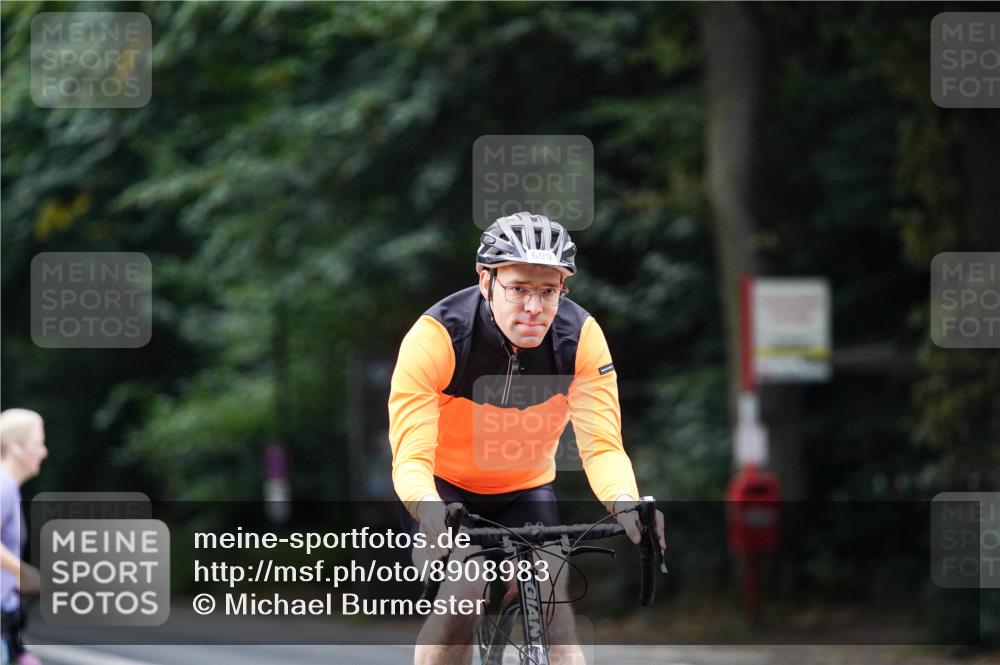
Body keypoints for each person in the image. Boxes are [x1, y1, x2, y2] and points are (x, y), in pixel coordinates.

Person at [388, 212, 666, 665]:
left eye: (548, 291)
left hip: (526, 489)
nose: (534, 307)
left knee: (555, 604)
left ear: (563, 290)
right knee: (464, 594)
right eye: (518, 289)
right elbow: (410, 457)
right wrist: (430, 510)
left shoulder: (580, 338)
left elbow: (602, 447)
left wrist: (626, 501)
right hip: (444, 491)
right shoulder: (437, 337)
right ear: (486, 280)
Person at [0, 409, 47, 665]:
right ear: (16, 447)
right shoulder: (3, 485)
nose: (44, 452)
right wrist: (22, 571)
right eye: (38, 443)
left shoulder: (9, 487)